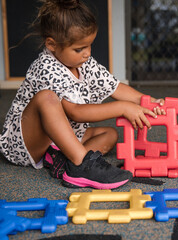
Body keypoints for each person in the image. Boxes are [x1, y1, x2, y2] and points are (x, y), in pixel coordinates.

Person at [0, 0, 165, 189]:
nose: (87, 54)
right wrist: (123, 107)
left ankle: (64, 162)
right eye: (79, 49)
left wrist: (147, 102)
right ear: (52, 44)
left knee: (109, 134)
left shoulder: (84, 62)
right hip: (26, 144)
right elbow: (76, 112)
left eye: (89, 45)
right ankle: (80, 164)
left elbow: (114, 87)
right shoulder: (46, 67)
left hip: (58, 139)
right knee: (46, 98)